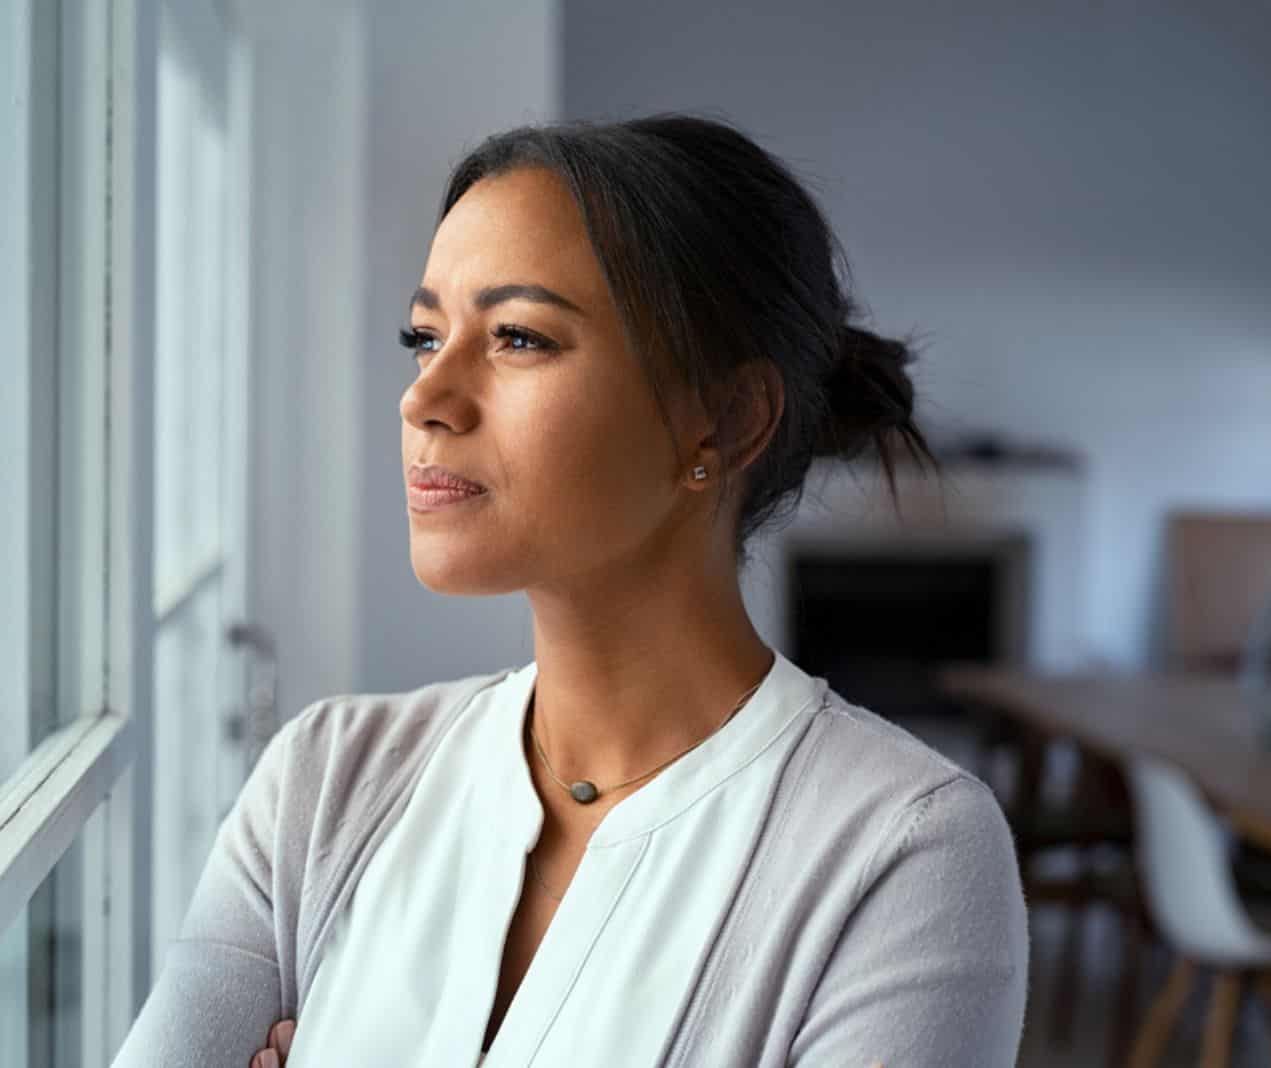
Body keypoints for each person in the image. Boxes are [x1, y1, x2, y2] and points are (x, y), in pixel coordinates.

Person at [112, 113, 1029, 1068]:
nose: (424, 397)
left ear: (723, 420)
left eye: (517, 338)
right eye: (424, 336)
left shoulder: (904, 856)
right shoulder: (324, 782)